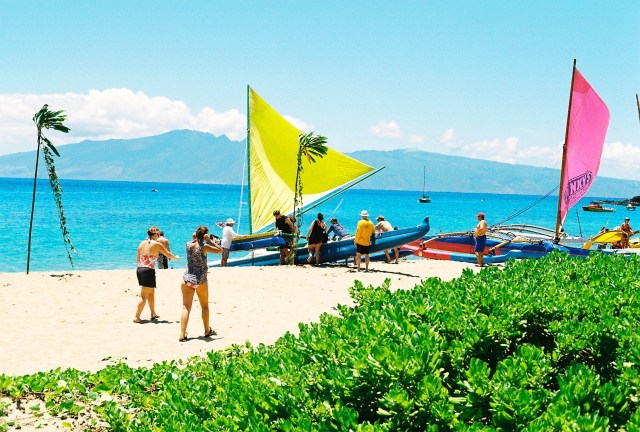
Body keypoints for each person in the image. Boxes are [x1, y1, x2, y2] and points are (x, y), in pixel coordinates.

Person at [179, 226, 223, 342]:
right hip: (200, 280)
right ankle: (206, 331)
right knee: (204, 306)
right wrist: (209, 240)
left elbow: (193, 239)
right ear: (204, 236)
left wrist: (197, 236)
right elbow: (220, 250)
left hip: (187, 278)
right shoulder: (204, 247)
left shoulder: (188, 245)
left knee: (186, 307)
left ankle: (182, 334)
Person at [134, 226, 180, 324]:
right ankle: (136, 317)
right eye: (158, 234)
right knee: (143, 296)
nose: (158, 236)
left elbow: (137, 258)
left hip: (140, 269)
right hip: (148, 271)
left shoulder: (142, 243)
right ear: (155, 234)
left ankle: (153, 313)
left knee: (151, 292)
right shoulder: (157, 244)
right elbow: (167, 254)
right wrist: (176, 258)